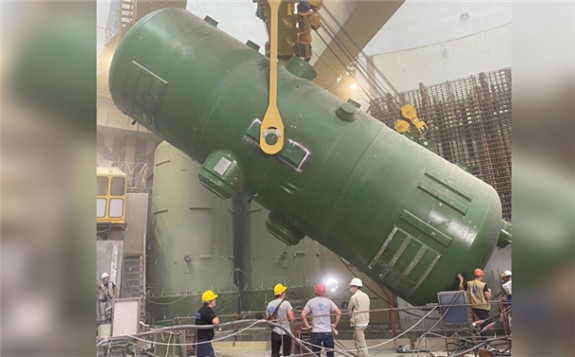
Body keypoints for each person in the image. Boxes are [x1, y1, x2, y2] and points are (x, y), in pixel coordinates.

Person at [301, 283, 342, 357]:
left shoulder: (311, 301)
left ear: (315, 291)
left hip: (316, 332)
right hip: (327, 332)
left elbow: (303, 314)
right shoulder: (329, 301)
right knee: (330, 354)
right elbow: (338, 313)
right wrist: (335, 324)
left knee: (316, 354)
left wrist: (307, 325)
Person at [266, 283, 294, 357]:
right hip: (286, 332)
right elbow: (292, 319)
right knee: (286, 354)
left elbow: (268, 320)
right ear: (282, 293)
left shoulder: (270, 304)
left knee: (275, 354)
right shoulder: (286, 303)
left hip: (275, 333)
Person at [348, 278, 370, 357]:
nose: (351, 288)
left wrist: (351, 315)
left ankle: (365, 355)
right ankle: (360, 354)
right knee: (356, 338)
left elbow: (349, 310)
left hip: (358, 322)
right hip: (366, 321)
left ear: (355, 287)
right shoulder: (366, 295)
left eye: (351, 286)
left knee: (361, 342)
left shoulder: (354, 297)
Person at [195, 290, 220, 357]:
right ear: (210, 301)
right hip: (203, 343)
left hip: (199, 342)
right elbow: (216, 321)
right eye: (213, 299)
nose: (215, 300)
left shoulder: (201, 310)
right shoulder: (207, 310)